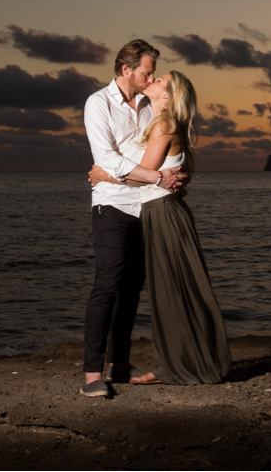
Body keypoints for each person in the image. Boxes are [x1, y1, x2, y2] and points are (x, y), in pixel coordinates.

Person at [90, 70, 231, 385]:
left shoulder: (164, 125)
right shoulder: (162, 124)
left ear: (168, 96)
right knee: (174, 291)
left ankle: (179, 366)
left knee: (171, 292)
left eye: (160, 80)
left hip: (163, 214)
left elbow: (146, 173)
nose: (152, 80)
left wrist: (104, 175)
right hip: (161, 212)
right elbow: (160, 173)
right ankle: (185, 361)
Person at [81, 40, 189, 398]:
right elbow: (107, 159)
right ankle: (92, 375)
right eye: (147, 71)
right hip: (111, 204)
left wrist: (170, 174)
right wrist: (156, 177)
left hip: (147, 206)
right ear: (126, 70)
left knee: (131, 291)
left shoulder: (152, 103)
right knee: (106, 286)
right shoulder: (98, 103)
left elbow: (157, 156)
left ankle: (121, 366)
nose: (152, 76)